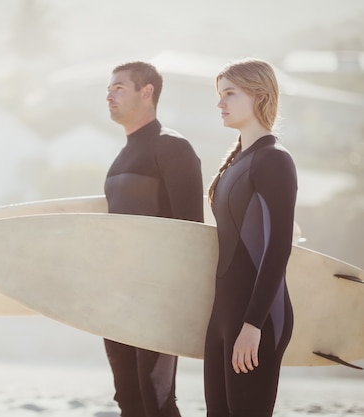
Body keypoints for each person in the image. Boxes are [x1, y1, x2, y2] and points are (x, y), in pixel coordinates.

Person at [104, 61, 204, 417]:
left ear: (147, 92)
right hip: (119, 302)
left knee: (156, 398)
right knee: (128, 400)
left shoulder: (173, 148)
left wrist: (180, 304)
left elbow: (191, 233)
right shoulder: (120, 158)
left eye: (119, 87)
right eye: (109, 88)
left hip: (158, 302)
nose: (109, 95)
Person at [204, 58, 297, 417]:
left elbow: (278, 248)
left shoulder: (274, 160)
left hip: (259, 319)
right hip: (224, 316)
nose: (220, 103)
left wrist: (253, 324)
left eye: (230, 93)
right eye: (219, 94)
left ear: (258, 96)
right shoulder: (234, 162)